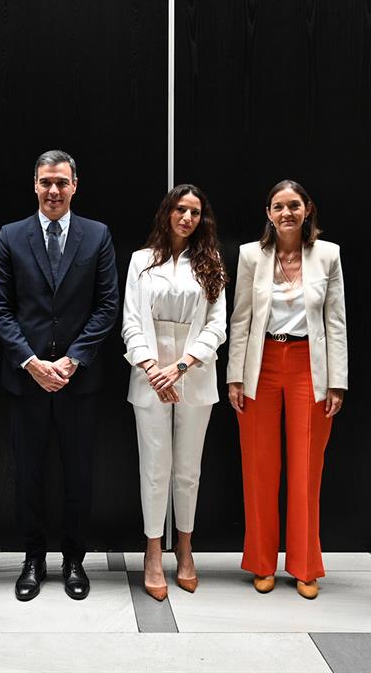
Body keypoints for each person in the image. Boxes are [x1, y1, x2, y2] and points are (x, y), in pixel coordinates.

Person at [0, 149, 119, 601]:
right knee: (29, 474)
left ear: (75, 185)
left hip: (78, 381)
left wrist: (72, 359)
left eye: (61, 182)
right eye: (45, 182)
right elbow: (0, 309)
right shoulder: (10, 236)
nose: (53, 190)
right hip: (26, 379)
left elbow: (107, 306)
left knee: (79, 474)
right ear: (35, 185)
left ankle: (74, 561)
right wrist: (31, 362)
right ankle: (32, 560)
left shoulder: (97, 236)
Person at [227, 179, 347, 600]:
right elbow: (240, 319)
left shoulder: (327, 254)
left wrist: (337, 381)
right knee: (259, 468)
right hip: (261, 363)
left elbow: (336, 322)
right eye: (278, 206)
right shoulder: (250, 255)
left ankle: (304, 565)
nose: (286, 213)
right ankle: (261, 563)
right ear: (268, 213)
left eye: (294, 205)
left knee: (305, 468)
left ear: (307, 209)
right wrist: (235, 376)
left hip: (307, 366)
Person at [121, 184, 227, 601]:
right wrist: (153, 369)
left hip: (194, 374)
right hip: (150, 377)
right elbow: (130, 322)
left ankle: (184, 549)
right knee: (154, 469)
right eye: (180, 209)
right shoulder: (140, 262)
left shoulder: (212, 262)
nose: (187, 217)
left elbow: (217, 325)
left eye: (195, 212)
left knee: (187, 470)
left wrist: (181, 367)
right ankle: (152, 553)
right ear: (167, 213)